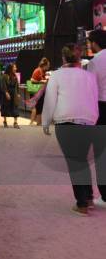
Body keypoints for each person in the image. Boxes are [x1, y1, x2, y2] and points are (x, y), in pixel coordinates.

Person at [42, 44, 99, 216]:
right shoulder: (89, 76)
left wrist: (45, 121)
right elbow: (93, 97)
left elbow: (50, 100)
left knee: (75, 163)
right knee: (82, 160)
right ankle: (88, 197)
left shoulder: (57, 75)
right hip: (88, 121)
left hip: (66, 121)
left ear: (63, 57)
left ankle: (81, 203)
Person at [87, 29, 106, 208]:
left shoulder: (95, 62)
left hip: (102, 107)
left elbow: (91, 91)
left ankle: (105, 196)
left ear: (94, 43)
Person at [29, 57, 50, 126]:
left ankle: (38, 123)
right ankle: (31, 123)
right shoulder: (38, 70)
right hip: (35, 91)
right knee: (35, 107)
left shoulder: (42, 72)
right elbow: (32, 80)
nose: (48, 67)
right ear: (45, 65)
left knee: (39, 108)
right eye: (48, 65)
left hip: (38, 92)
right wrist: (40, 81)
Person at [1, 64, 21, 128]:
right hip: (6, 93)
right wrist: (6, 93)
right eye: (14, 67)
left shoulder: (15, 76)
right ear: (11, 68)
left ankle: (15, 122)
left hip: (14, 94)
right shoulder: (4, 76)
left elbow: (17, 86)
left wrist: (18, 93)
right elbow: (3, 85)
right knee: (5, 107)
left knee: (15, 107)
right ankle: (5, 121)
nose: (16, 68)